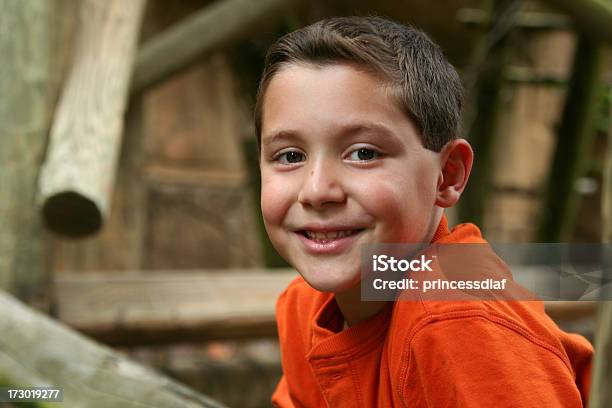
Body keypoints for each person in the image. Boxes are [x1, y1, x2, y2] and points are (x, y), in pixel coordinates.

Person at [254, 16, 593, 407]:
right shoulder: (304, 308)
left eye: (364, 154)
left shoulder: (459, 321)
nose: (316, 190)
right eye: (290, 156)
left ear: (447, 175)